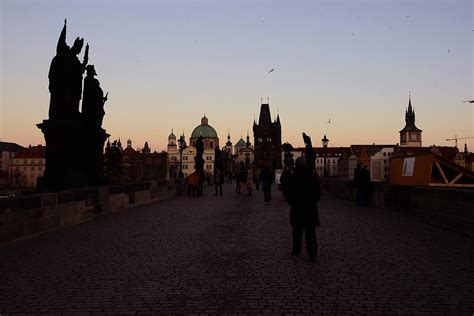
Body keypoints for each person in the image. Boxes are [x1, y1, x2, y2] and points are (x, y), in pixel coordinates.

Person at [285, 157, 321, 262]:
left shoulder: (292, 176)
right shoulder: (313, 175)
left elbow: (288, 193)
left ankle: (296, 250)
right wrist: (313, 202)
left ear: (296, 164)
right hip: (310, 207)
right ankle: (312, 254)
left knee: (297, 231)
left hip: (296, 207)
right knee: (310, 232)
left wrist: (291, 202)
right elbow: (318, 192)